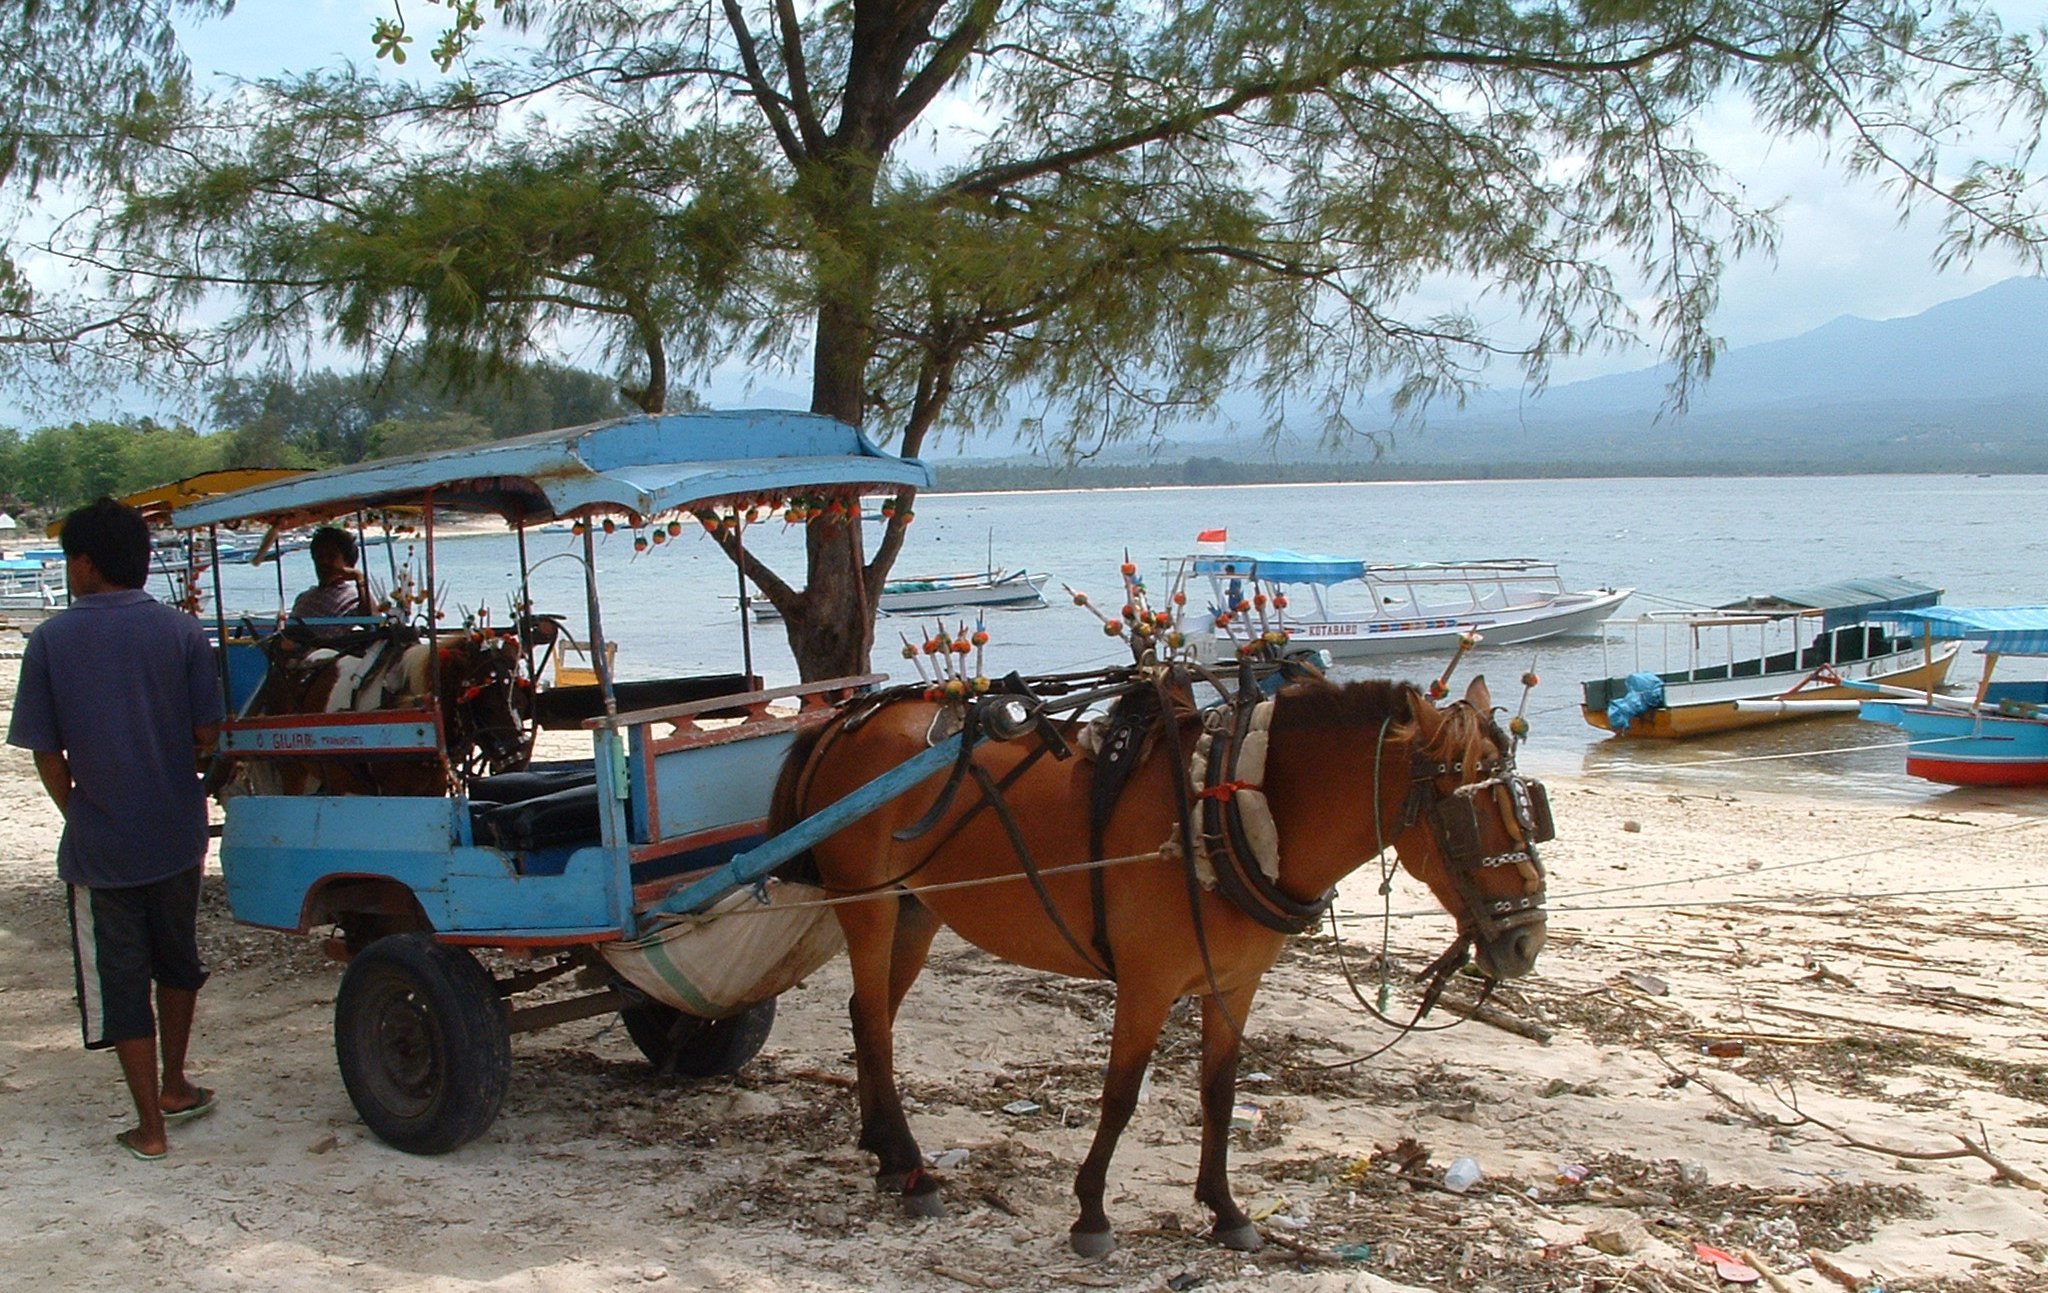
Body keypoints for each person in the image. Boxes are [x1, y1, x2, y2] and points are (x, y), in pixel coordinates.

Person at [7, 498, 225, 1161]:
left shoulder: (50, 641)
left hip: (102, 845)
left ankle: (149, 1129)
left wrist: (78, 808)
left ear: (85, 562)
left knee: (121, 980)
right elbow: (207, 735)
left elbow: (48, 753)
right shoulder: (184, 633)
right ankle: (175, 1083)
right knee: (177, 959)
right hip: (177, 830)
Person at [290, 525, 368, 621]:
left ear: (348, 563)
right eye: (319, 557)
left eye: (332, 556)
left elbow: (372, 621)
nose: (324, 562)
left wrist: (359, 579)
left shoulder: (351, 597)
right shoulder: (304, 597)